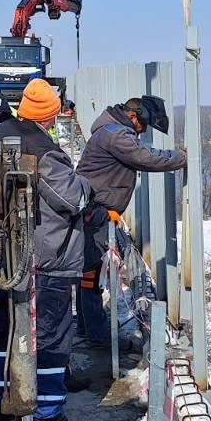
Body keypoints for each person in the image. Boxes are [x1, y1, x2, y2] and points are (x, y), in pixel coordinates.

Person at [0, 79, 92, 421]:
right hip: (43, 261)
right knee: (51, 337)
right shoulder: (43, 149)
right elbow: (72, 199)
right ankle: (48, 413)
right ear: (50, 116)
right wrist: (86, 183)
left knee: (3, 330)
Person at [76, 96, 186, 348]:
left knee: (89, 273)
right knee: (91, 275)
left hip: (96, 211)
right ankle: (96, 335)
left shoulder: (110, 130)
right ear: (134, 117)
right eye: (144, 125)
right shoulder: (116, 136)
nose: (144, 131)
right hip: (96, 214)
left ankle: (89, 328)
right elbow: (147, 158)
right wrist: (181, 157)